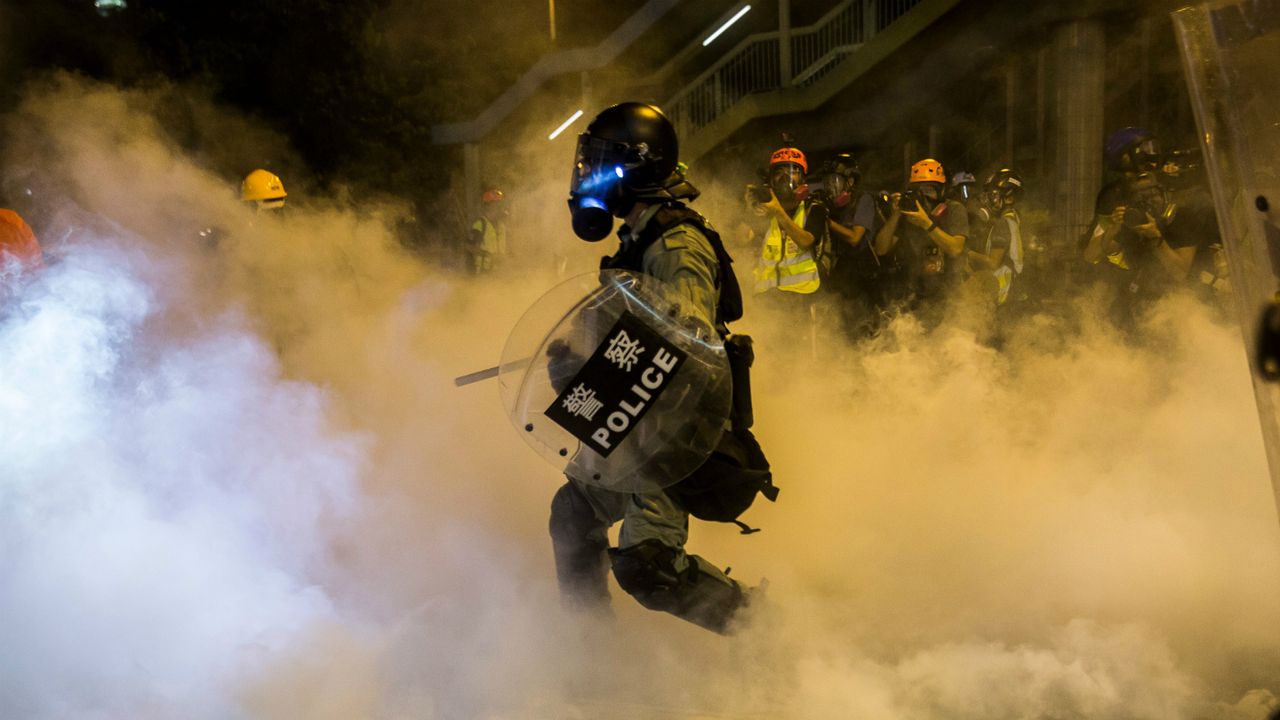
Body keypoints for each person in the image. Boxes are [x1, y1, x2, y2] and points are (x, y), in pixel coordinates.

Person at [551, 102, 773, 634]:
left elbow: (689, 350)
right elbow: (642, 331)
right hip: (637, 423)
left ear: (640, 167)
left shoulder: (676, 244)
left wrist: (598, 380)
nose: (590, 177)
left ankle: (770, 630)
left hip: (669, 433)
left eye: (603, 166)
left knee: (650, 569)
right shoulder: (641, 235)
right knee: (574, 514)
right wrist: (582, 365)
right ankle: (588, 645)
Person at [1082, 129, 1198, 326]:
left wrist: (1155, 237)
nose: (1146, 194)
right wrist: (1113, 229)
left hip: (1178, 310)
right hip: (1132, 306)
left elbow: (1179, 272)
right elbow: (1090, 255)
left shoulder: (1181, 206)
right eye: (1137, 183)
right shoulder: (1118, 205)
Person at [873, 158, 970, 324]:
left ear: (941, 191)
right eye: (919, 190)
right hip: (913, 296)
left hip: (949, 294)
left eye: (930, 190)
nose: (925, 196)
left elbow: (955, 248)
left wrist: (926, 223)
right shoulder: (907, 216)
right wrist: (896, 214)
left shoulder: (954, 209)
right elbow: (881, 249)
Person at [748, 146, 829, 304]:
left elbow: (807, 241)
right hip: (766, 301)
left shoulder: (814, 207)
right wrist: (746, 208)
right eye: (778, 172)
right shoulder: (765, 211)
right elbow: (741, 239)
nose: (785, 177)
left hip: (803, 298)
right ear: (770, 180)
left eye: (792, 171)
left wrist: (778, 211)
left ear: (803, 179)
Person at [820, 153, 885, 337]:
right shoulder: (832, 207)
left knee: (864, 332)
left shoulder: (863, 200)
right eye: (827, 182)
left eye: (835, 182)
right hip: (841, 278)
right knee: (841, 331)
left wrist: (828, 222)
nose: (831, 188)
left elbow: (856, 237)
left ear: (851, 181)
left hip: (863, 279)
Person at [965, 168, 1025, 307]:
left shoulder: (1003, 224)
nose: (989, 201)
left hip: (1003, 298)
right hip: (1015, 295)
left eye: (994, 196)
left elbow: (993, 263)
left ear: (1009, 198)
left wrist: (966, 253)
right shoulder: (1014, 219)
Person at [469, 187, 509, 274]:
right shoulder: (480, 224)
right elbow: (469, 247)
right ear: (488, 207)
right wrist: (486, 254)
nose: (500, 209)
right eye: (496, 205)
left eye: (500, 205)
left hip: (497, 273)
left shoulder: (501, 226)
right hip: (482, 274)